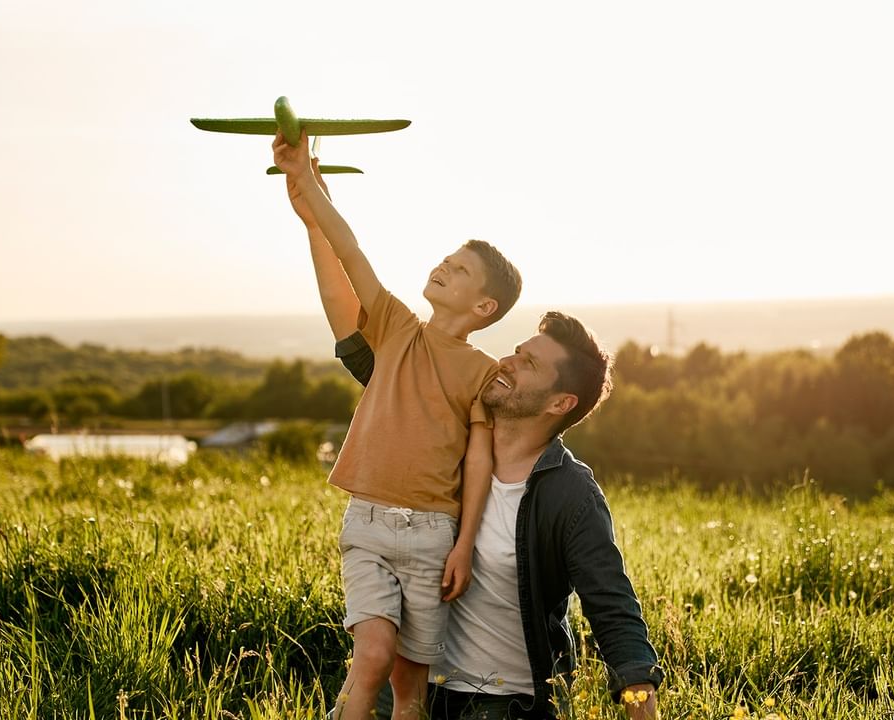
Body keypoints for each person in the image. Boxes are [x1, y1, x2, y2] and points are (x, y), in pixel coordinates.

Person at [290, 158, 661, 718]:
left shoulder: (568, 495)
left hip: (502, 703)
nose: (507, 362)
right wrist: (314, 215)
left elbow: (612, 607)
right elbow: (350, 313)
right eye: (516, 350)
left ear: (561, 403)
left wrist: (639, 699)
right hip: (419, 690)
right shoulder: (439, 419)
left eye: (528, 364)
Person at [274, 132, 522, 720]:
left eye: (460, 269)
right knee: (372, 657)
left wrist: (463, 543)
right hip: (367, 522)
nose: (443, 265)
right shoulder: (394, 326)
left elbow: (481, 462)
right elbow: (351, 253)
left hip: (435, 538)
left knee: (411, 688)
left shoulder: (482, 374)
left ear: (484, 307)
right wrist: (306, 185)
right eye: (447, 258)